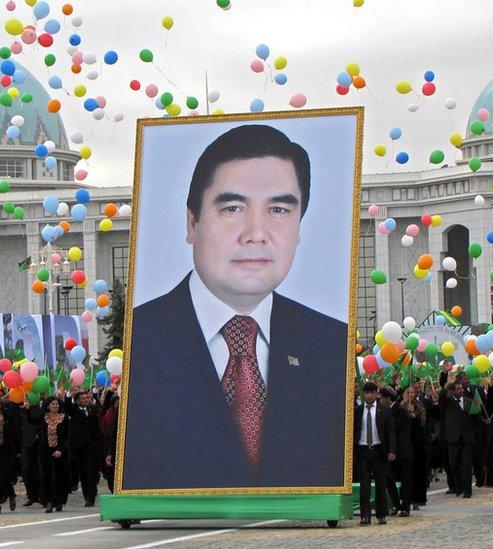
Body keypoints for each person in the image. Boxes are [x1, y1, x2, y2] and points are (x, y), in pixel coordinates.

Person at [125, 124, 349, 490]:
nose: (255, 233)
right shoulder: (140, 339)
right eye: (232, 208)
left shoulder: (331, 346)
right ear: (192, 223)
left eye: (278, 209)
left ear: (299, 226)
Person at [353, 382, 397, 526]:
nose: (370, 395)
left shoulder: (384, 410)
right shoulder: (358, 411)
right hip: (363, 450)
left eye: (372, 393)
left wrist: (392, 450)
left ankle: (381, 514)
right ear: (363, 394)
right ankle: (365, 515)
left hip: (379, 450)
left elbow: (391, 431)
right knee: (364, 484)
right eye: (367, 393)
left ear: (376, 394)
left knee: (380, 483)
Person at [65, 391, 103, 507]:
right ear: (77, 401)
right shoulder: (74, 411)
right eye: (82, 398)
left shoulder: (92, 410)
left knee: (92, 472)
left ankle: (90, 497)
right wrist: (68, 395)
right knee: (84, 473)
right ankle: (87, 495)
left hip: (92, 447)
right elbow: (67, 406)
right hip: (79, 447)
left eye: (86, 398)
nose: (85, 400)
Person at [381, 387, 413, 517]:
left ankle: (405, 507)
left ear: (388, 398)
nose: (380, 400)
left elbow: (394, 428)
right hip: (390, 451)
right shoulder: (385, 411)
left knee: (405, 480)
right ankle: (395, 503)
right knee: (388, 477)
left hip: (403, 450)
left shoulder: (400, 411)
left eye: (382, 398)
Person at [38, 396, 70, 513]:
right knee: (47, 476)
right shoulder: (44, 417)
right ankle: (49, 502)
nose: (55, 406)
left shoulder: (64, 417)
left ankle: (59, 501)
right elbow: (32, 419)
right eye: (53, 404)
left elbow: (67, 435)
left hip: (60, 452)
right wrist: (26, 408)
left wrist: (61, 450)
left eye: (57, 404)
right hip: (46, 451)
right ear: (47, 406)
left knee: (59, 476)